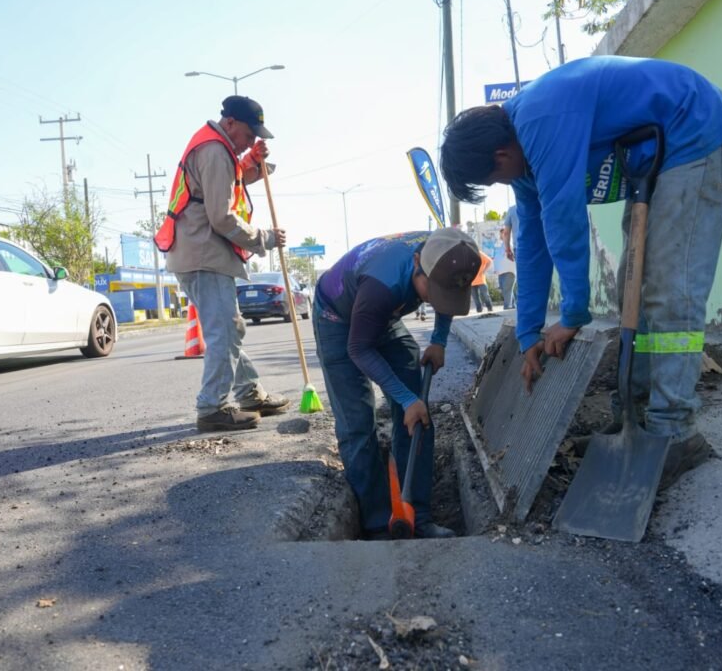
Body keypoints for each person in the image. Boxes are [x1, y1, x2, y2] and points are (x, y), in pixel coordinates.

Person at [439, 56, 722, 491]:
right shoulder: (521, 160)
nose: (503, 184)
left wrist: (573, 315)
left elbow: (565, 222)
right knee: (634, 290)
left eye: (495, 177)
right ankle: (634, 418)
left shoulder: (541, 121)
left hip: (693, 135)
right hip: (658, 152)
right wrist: (528, 336)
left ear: (501, 154)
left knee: (670, 290)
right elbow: (533, 245)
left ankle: (675, 430)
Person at [312, 229, 482, 540]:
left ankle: (418, 515)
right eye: (431, 292)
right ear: (418, 262)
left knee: (419, 416)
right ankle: (377, 524)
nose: (433, 301)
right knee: (357, 425)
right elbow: (359, 348)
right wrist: (405, 398)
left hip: (384, 316)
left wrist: (439, 341)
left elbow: (446, 296)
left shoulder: (449, 253)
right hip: (336, 317)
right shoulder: (383, 283)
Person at [157, 95, 291, 432]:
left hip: (199, 252)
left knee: (229, 330)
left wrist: (251, 162)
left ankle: (249, 393)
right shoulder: (215, 151)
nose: (251, 140)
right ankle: (211, 408)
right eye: (249, 134)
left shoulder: (219, 149)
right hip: (204, 253)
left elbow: (229, 184)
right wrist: (265, 238)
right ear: (230, 123)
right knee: (225, 332)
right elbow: (222, 216)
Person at [498, 205, 518, 308]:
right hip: (540, 247)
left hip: (520, 248)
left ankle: (508, 308)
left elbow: (506, 233)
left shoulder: (512, 209)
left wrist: (508, 251)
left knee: (508, 289)